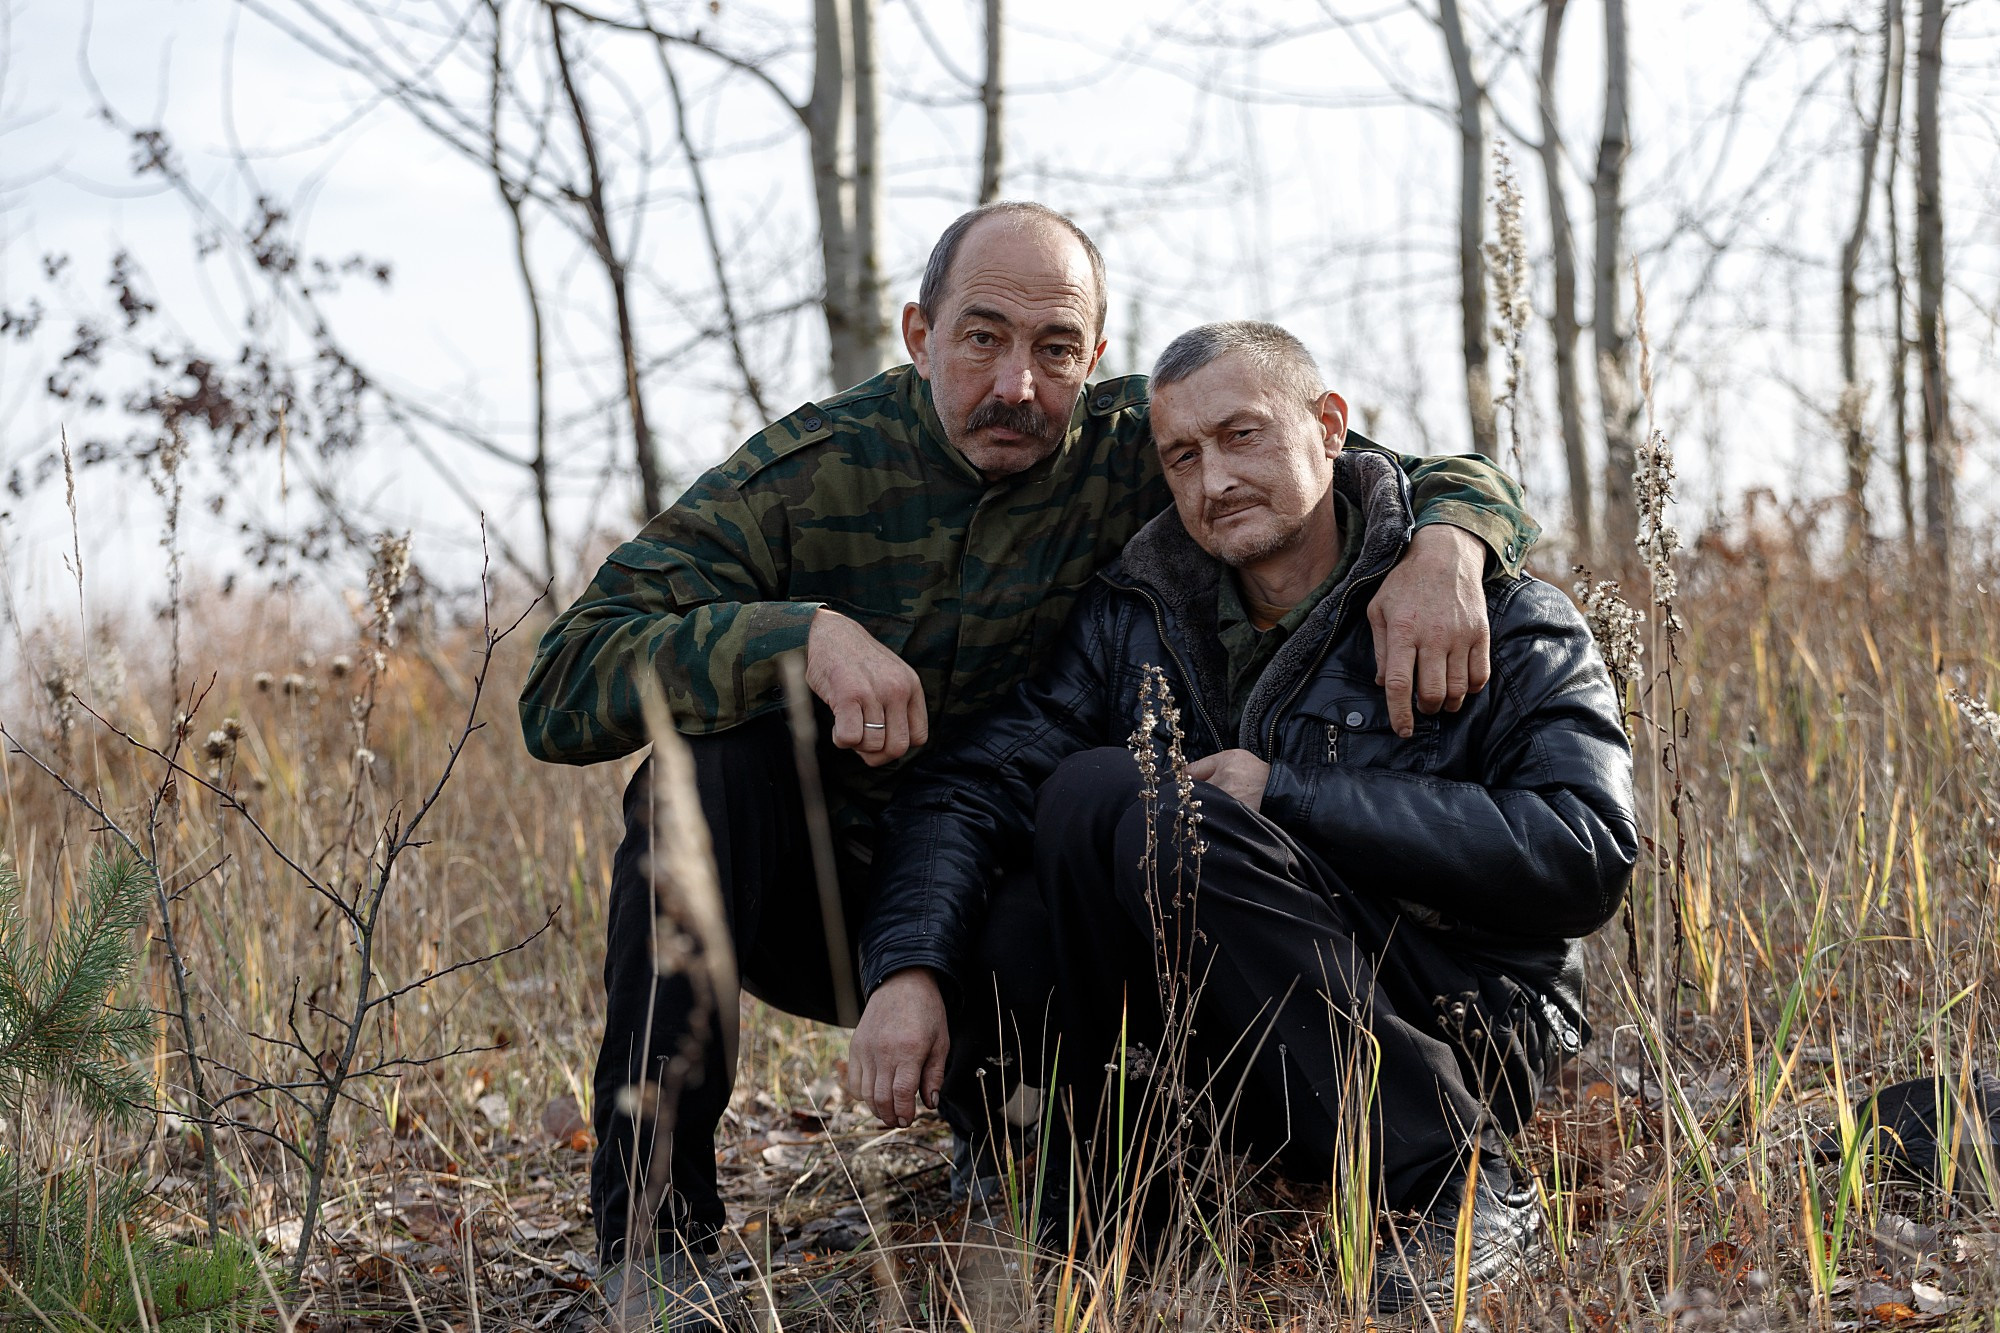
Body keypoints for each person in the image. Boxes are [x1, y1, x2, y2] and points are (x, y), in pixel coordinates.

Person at [519, 204, 1544, 1330]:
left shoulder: (1135, 449)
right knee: (700, 775)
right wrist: (793, 636)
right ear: (918, 334)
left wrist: (1451, 544)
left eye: (1054, 350)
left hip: (1021, 895)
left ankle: (1030, 1142)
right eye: (979, 338)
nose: (1015, 386)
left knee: (1088, 795)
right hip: (828, 898)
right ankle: (654, 1238)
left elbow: (1354, 466)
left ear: (1093, 358)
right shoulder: (808, 477)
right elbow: (563, 682)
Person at [861, 320, 1637, 1312]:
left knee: (1138, 802)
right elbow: (967, 789)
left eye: (1240, 437)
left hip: (1452, 1019)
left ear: (1327, 427)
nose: (1212, 481)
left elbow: (1585, 852)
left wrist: (1287, 793)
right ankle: (1093, 1200)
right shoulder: (1133, 615)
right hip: (1240, 1054)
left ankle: (1456, 1178)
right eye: (1181, 456)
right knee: (1057, 827)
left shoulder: (1495, 609)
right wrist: (909, 969)